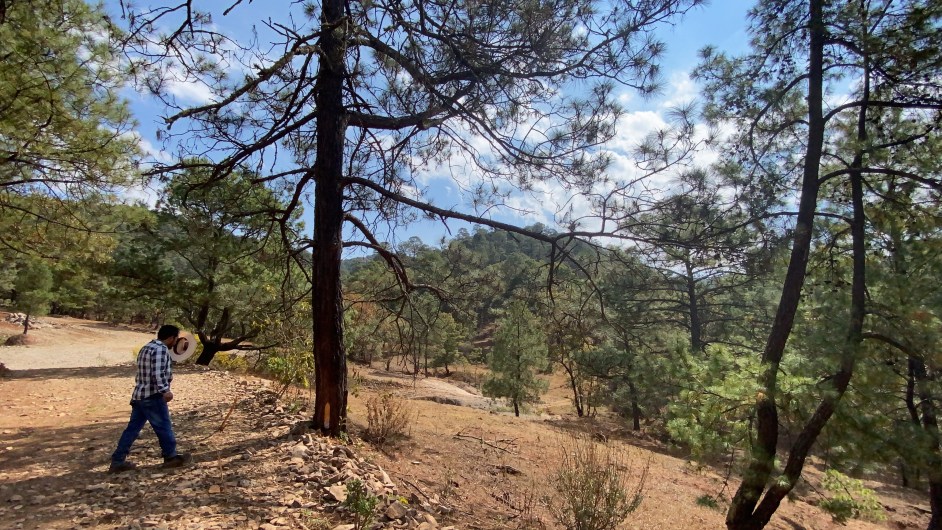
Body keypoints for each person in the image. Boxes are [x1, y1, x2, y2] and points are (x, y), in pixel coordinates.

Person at [109, 324, 191, 472]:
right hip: (152, 396)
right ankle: (170, 457)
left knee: (132, 429)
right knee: (164, 426)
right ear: (171, 338)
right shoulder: (160, 349)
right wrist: (165, 391)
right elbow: (157, 374)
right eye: (176, 338)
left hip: (140, 395)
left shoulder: (147, 347)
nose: (176, 342)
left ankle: (118, 460)